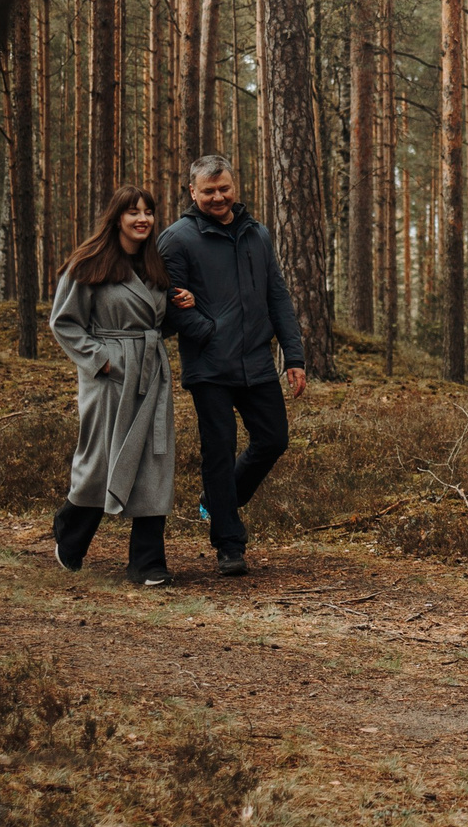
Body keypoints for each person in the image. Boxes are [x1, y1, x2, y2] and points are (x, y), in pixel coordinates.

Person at [49, 186, 214, 585]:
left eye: (148, 212)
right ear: (116, 218)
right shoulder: (87, 264)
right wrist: (100, 360)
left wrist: (185, 304)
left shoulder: (155, 265)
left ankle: (147, 561)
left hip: (151, 373)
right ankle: (70, 534)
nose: (142, 219)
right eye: (133, 212)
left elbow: (155, 325)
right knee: (101, 459)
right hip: (108, 378)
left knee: (154, 460)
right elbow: (64, 322)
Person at [158, 155, 305, 576]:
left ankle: (215, 502)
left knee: (273, 440)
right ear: (192, 192)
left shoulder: (257, 234)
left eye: (224, 188)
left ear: (234, 185)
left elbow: (277, 296)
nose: (218, 197)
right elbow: (170, 304)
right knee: (218, 452)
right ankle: (229, 543)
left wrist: (292, 356)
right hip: (209, 367)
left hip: (257, 362)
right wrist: (209, 331)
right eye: (209, 191)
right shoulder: (176, 239)